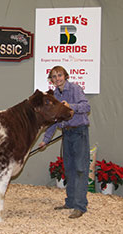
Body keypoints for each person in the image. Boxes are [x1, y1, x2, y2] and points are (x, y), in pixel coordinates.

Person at [39, 66, 91, 219]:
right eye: (54, 76)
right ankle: (70, 202)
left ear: (65, 76)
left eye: (59, 75)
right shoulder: (54, 95)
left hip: (79, 131)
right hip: (66, 134)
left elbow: (86, 106)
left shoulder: (75, 88)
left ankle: (80, 206)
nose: (57, 79)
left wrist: (70, 106)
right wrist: (45, 140)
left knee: (81, 168)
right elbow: (54, 121)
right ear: (51, 79)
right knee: (69, 169)